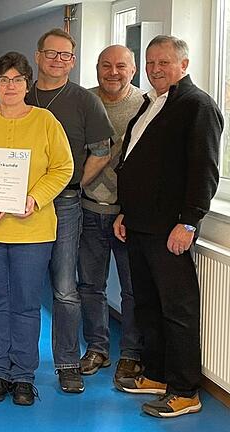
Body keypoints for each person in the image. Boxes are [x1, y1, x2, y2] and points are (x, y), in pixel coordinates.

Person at [0, 51, 73, 406]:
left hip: (32, 230)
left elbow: (63, 168)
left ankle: (23, 375)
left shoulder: (46, 121)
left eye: (18, 79)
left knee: (25, 304)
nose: (11, 86)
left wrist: (34, 198)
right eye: (4, 79)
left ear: (27, 84)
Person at [114, 35, 222, 418]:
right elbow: (140, 162)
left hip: (170, 227)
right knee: (148, 305)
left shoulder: (197, 106)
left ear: (184, 65)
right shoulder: (154, 103)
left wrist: (189, 222)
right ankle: (157, 373)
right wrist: (127, 212)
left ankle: (185, 389)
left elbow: (204, 170)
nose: (156, 69)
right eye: (150, 63)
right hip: (141, 223)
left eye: (164, 63)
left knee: (177, 309)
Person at [24, 28, 113, 394]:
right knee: (25, 288)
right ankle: (19, 364)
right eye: (52, 54)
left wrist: (74, 181)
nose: (58, 61)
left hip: (65, 204)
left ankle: (66, 362)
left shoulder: (83, 101)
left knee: (64, 288)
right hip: (22, 205)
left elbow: (102, 150)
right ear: (38, 55)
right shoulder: (20, 95)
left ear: (73, 61)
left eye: (66, 56)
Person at [78, 45, 144, 383]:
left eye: (121, 66)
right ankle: (97, 348)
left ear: (133, 69)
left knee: (133, 289)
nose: (113, 72)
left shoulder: (146, 107)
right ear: (96, 68)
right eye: (106, 65)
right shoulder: (84, 101)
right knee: (91, 285)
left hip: (129, 216)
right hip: (88, 210)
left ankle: (131, 354)